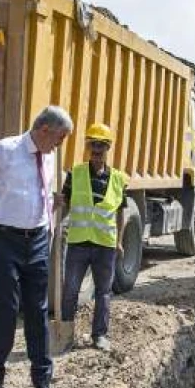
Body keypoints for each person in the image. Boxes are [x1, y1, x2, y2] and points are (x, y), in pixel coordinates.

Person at [0, 106, 73, 388]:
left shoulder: (50, 156)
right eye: (59, 137)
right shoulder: (4, 151)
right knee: (4, 312)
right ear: (44, 130)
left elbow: (43, 194)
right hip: (3, 239)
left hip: (37, 239)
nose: (60, 145)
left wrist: (51, 214)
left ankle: (42, 379)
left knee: (38, 312)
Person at [57, 123, 128, 353]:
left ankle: (99, 335)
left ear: (108, 148)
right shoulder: (75, 174)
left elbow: (120, 212)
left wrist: (119, 241)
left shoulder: (118, 179)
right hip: (78, 243)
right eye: (93, 145)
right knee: (70, 291)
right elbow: (64, 204)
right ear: (88, 147)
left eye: (101, 145)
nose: (96, 149)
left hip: (105, 245)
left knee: (103, 292)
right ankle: (66, 335)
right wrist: (56, 211)